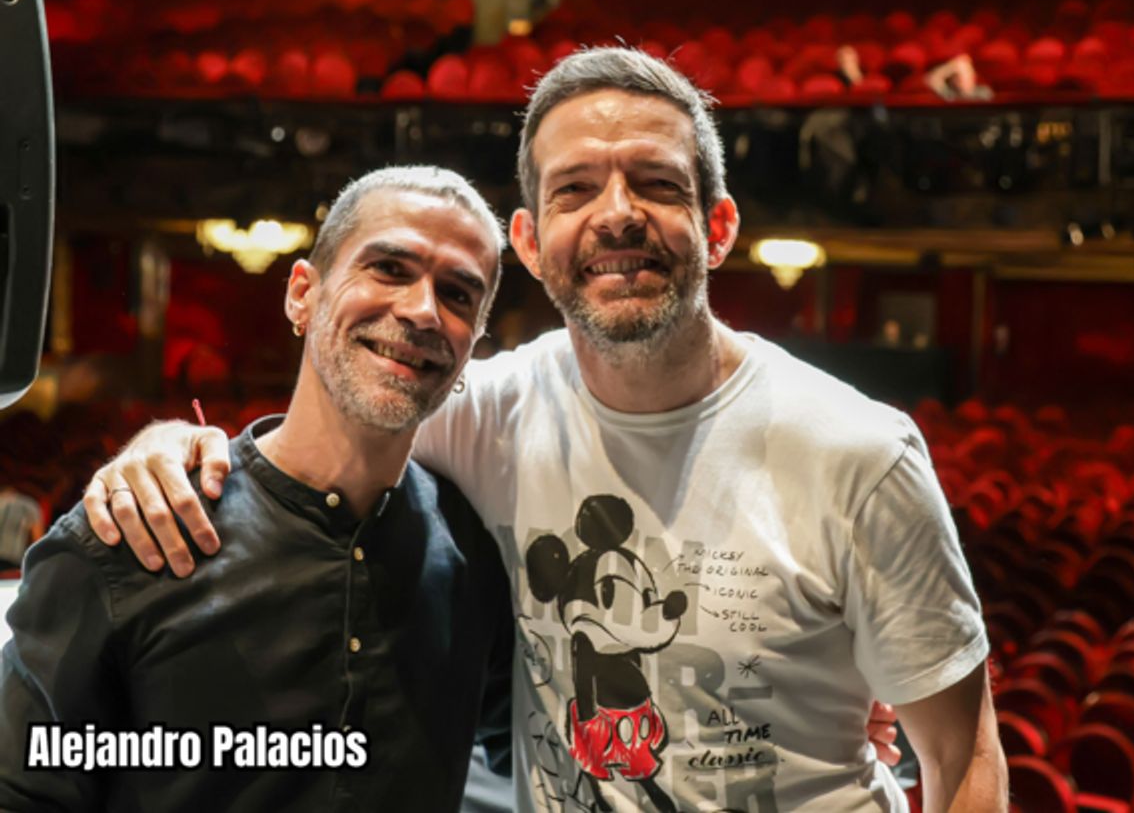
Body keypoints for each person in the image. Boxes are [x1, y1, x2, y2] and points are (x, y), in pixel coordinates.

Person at [83, 47, 1006, 812]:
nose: (616, 213)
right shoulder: (485, 411)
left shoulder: (859, 453)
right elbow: (325, 427)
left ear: (718, 227)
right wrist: (168, 440)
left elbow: (963, 763)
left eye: (655, 182)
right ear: (528, 242)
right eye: (575, 190)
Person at [0, 166, 516, 811]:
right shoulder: (134, 532)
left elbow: (544, 746)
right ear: (302, 294)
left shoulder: (476, 556)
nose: (421, 310)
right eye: (388, 268)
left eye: (459, 295)